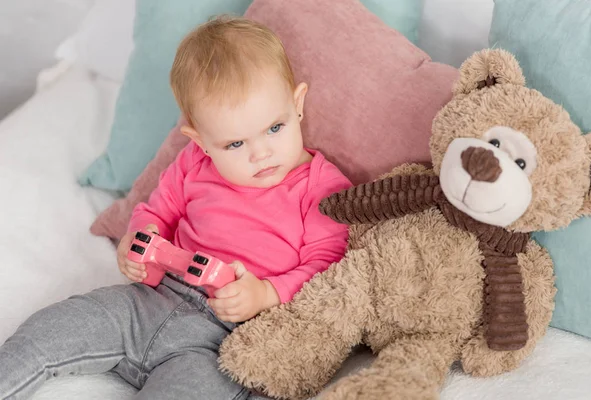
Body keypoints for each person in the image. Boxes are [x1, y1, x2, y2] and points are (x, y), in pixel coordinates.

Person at [0, 16, 351, 400]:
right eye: (235, 144)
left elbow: (327, 266)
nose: (261, 153)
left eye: (274, 128)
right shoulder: (193, 164)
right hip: (151, 300)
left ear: (297, 104)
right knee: (53, 328)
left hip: (223, 340)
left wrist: (266, 294)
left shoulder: (323, 186)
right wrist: (139, 238)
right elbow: (155, 211)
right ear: (199, 141)